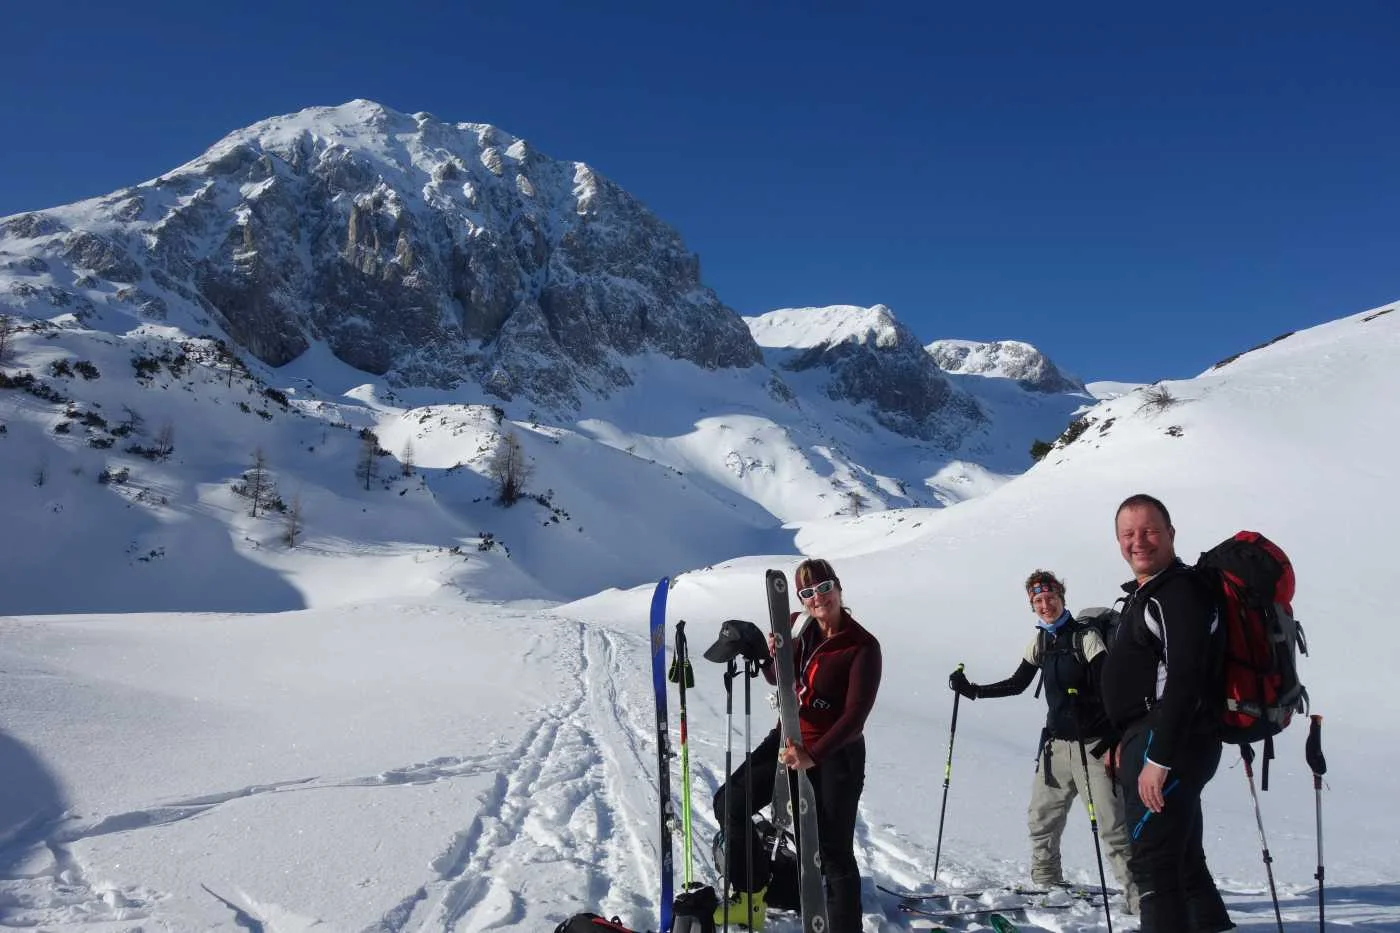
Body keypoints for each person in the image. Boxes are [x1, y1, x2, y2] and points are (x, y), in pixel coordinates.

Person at [948, 571, 1138, 912]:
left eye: (1050, 597)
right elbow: (1017, 683)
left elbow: (1112, 686)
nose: (1045, 605)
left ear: (1062, 598)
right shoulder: (1041, 642)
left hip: (1093, 747)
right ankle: (1046, 881)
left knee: (1113, 829)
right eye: (1038, 600)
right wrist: (972, 690)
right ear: (1031, 605)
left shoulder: (1086, 637)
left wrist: (1114, 738)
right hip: (1055, 748)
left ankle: (1140, 897)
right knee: (1042, 819)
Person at [711, 558, 882, 933]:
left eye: (824, 588)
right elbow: (779, 679)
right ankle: (753, 895)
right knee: (730, 804)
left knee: (830, 854)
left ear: (838, 588)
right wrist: (774, 654)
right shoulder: (797, 625)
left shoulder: (863, 646)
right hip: (788, 739)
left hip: (836, 755)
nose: (818, 598)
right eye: (808, 592)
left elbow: (855, 717)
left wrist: (813, 755)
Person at [1100, 493, 1233, 933]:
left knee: (1154, 868)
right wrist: (1124, 741)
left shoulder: (1177, 591)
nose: (1138, 541)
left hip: (1171, 743)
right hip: (1159, 740)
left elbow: (1185, 678)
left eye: (1150, 530)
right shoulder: (1151, 593)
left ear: (1171, 534)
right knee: (1184, 860)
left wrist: (1158, 758)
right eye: (1128, 533)